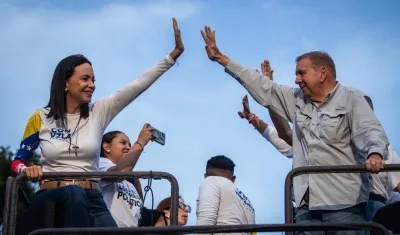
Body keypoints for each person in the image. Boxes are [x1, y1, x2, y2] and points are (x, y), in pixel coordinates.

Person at [201, 26, 389, 235]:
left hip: (344, 204)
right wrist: (222, 59)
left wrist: (374, 153)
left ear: (322, 73)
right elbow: (264, 88)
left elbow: (370, 129)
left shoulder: (352, 98)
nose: (297, 80)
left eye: (302, 73)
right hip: (305, 205)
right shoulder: (297, 99)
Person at [11, 17, 184, 232]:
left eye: (93, 80)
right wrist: (28, 169)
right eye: (85, 79)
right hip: (52, 197)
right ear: (65, 82)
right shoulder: (40, 117)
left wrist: (172, 57)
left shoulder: (99, 111)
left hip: (92, 197)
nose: (91, 85)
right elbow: (17, 162)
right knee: (72, 194)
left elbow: (137, 85)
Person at [98, 126, 154, 227]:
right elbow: (117, 174)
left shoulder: (132, 181)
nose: (128, 147)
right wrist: (140, 143)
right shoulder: (99, 163)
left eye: (130, 145)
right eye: (123, 143)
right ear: (106, 147)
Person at [195, 155, 255, 235]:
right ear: (233, 179)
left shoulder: (211, 181)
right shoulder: (248, 204)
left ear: (205, 176)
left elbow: (206, 221)